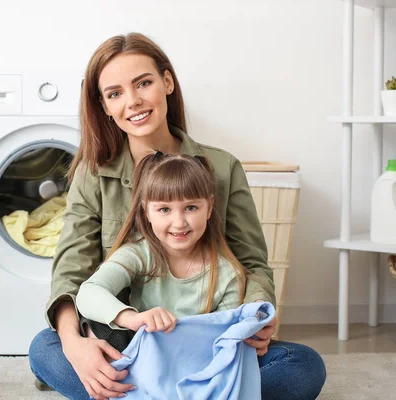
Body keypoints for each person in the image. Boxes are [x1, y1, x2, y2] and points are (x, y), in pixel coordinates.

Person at [29, 32, 326, 400]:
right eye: (115, 93)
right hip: (125, 338)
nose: (133, 101)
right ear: (104, 106)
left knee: (303, 367)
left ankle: (148, 394)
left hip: (205, 343)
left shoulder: (221, 166)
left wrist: (255, 320)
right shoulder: (93, 174)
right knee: (46, 348)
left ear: (167, 82)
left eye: (144, 83)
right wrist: (74, 344)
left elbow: (252, 264)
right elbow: (72, 271)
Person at [76, 152, 249, 351]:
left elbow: (225, 339)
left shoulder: (228, 274)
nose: (179, 222)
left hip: (193, 356)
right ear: (146, 211)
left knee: (288, 359)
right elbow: (88, 293)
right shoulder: (139, 254)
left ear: (209, 208)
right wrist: (132, 318)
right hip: (140, 350)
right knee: (66, 336)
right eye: (164, 210)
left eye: (191, 207)